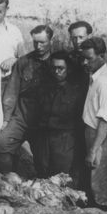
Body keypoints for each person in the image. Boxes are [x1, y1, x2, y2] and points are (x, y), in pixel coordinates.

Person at [0, 25, 54, 174]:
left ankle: (42, 187)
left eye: (43, 42)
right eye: (35, 42)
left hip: (43, 120)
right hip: (22, 115)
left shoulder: (57, 63)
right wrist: (7, 119)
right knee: (2, 143)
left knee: (44, 159)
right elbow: (11, 92)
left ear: (51, 41)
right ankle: (9, 180)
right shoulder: (24, 62)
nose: (38, 46)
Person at [30, 50, 86, 180]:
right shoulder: (44, 89)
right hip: (43, 138)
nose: (56, 72)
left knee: (62, 178)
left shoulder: (76, 92)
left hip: (64, 140)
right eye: (54, 68)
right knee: (42, 174)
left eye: (61, 68)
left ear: (69, 69)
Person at [80, 37, 107, 211]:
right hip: (90, 132)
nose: (85, 62)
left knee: (99, 181)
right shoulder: (94, 76)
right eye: (83, 58)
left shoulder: (105, 81)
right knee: (92, 179)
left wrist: (94, 149)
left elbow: (105, 119)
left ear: (102, 56)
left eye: (89, 58)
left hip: (99, 136)